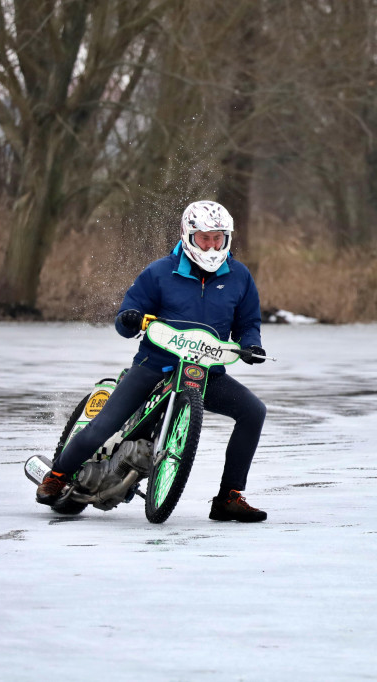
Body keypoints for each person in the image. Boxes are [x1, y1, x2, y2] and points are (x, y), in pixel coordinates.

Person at [37, 200, 269, 522]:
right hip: (154, 367)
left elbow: (247, 324)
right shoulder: (160, 272)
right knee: (104, 425)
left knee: (254, 411)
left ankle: (229, 496)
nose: (213, 245)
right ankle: (58, 475)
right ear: (189, 235)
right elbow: (124, 318)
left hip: (205, 372)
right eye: (205, 238)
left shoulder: (239, 277)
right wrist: (130, 319)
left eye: (219, 238)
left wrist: (251, 345)